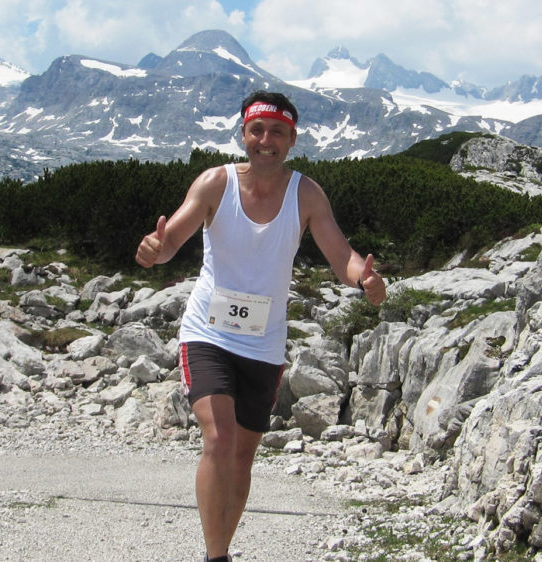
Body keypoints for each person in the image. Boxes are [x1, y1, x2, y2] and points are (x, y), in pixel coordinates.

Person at [134, 90, 387, 562]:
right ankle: (215, 558)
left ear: (292, 139)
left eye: (276, 132)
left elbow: (340, 256)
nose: (265, 141)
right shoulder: (215, 183)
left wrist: (364, 279)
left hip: (264, 344)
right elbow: (171, 242)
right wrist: (155, 249)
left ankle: (222, 548)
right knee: (218, 439)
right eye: (257, 130)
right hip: (208, 333)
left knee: (243, 456)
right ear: (243, 134)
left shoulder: (306, 194)